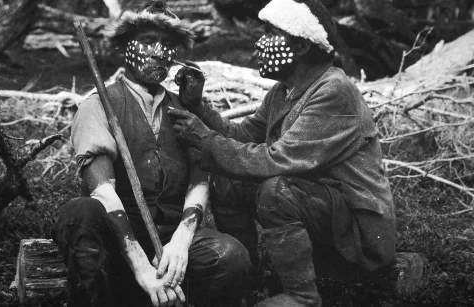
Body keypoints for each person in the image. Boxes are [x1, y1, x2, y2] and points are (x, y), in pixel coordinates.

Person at [169, 0, 397, 306]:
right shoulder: (284, 90)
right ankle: (251, 274)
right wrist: (199, 107)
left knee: (275, 191)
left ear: (302, 46)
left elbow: (275, 159)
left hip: (356, 227)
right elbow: (242, 135)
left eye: (269, 32)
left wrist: (203, 137)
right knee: (228, 180)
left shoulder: (333, 90)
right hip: (322, 206)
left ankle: (302, 296)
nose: (260, 41)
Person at [55, 1, 251, 306]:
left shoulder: (184, 108)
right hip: (119, 241)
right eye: (147, 42)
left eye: (168, 44)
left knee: (230, 256)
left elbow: (200, 180)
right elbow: (103, 192)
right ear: (124, 47)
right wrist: (142, 267)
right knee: (81, 212)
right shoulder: (98, 105)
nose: (159, 52)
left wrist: (182, 242)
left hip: (171, 240)